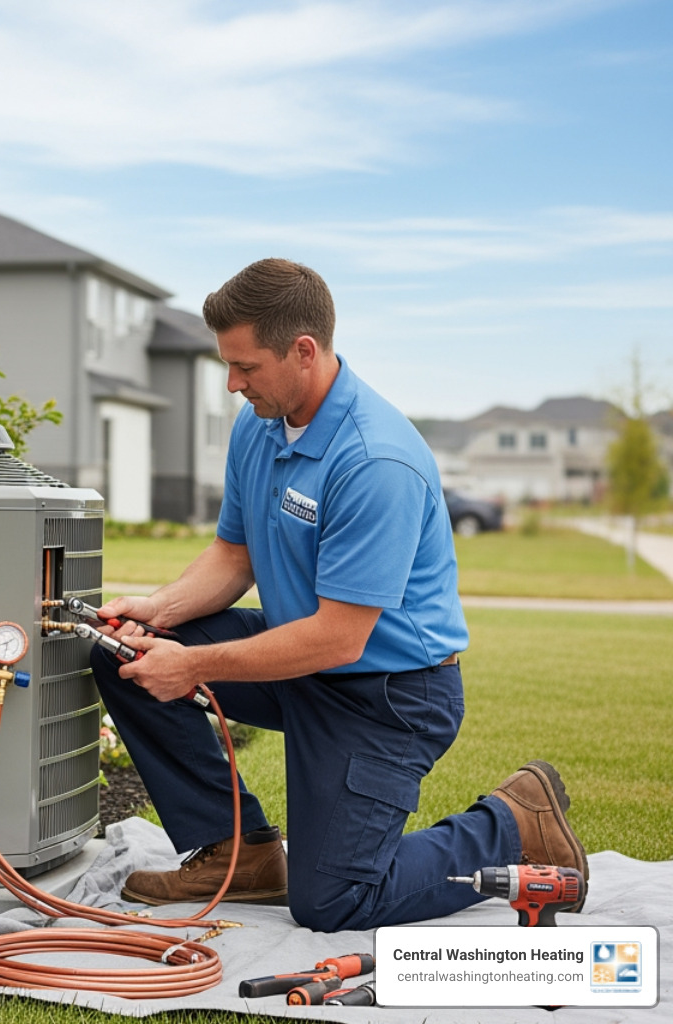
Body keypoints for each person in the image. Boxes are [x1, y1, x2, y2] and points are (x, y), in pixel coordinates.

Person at [92, 258, 587, 932]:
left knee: (334, 901)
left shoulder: (375, 459)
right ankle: (236, 854)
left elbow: (338, 638)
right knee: (124, 653)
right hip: (300, 658)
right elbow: (233, 556)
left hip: (387, 695)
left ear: (304, 351)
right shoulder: (259, 424)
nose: (233, 384)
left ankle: (513, 826)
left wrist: (193, 665)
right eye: (227, 366)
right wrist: (159, 611)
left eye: (246, 367)